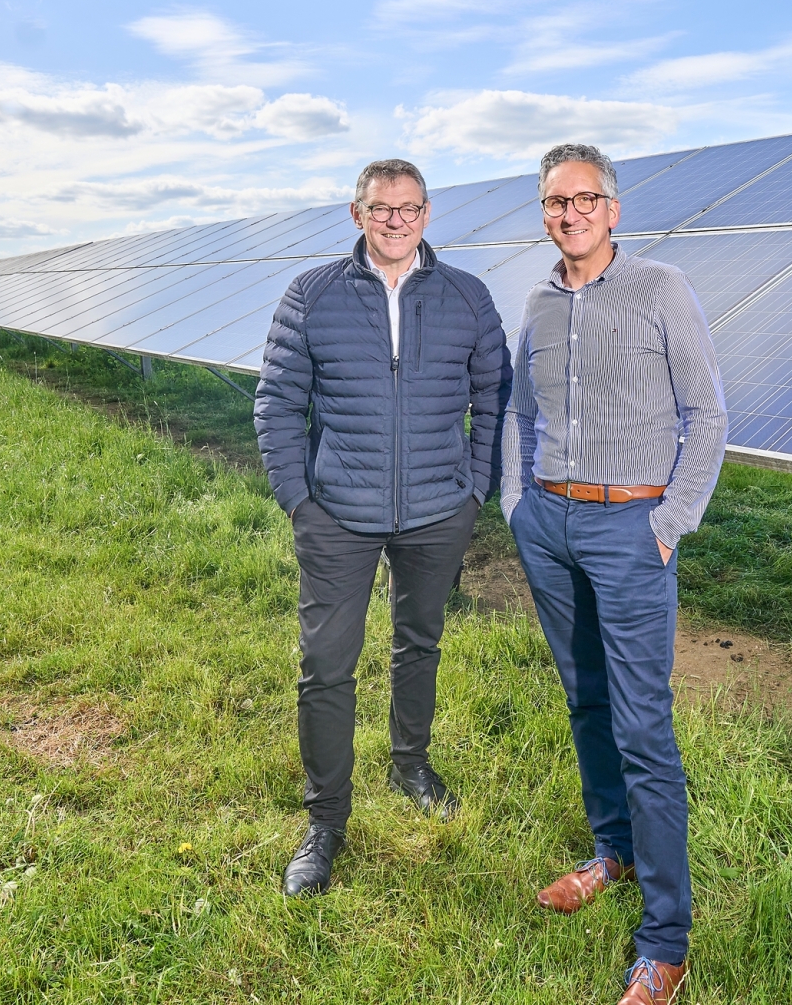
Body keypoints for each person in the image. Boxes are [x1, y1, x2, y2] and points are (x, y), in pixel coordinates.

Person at [500, 143, 728, 1005]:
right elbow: (520, 410)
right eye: (555, 202)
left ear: (613, 209)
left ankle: (665, 939)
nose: (569, 213)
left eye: (584, 198)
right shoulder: (537, 302)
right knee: (586, 699)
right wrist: (519, 503)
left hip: (631, 526)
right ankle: (613, 852)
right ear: (546, 213)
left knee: (643, 726)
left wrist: (667, 525)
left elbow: (707, 416)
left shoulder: (661, 290)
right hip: (551, 525)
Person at [254, 158, 510, 898]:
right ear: (356, 214)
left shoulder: (467, 296)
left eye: (409, 208)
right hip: (337, 513)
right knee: (326, 667)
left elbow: (493, 391)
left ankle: (410, 765)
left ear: (427, 215)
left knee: (419, 641)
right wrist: (299, 500)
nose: (396, 220)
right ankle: (326, 822)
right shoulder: (313, 295)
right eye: (381, 208)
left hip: (437, 512)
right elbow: (276, 404)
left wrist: (475, 488)